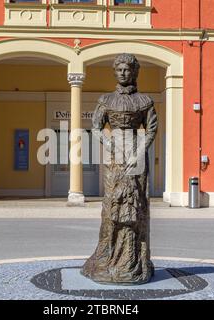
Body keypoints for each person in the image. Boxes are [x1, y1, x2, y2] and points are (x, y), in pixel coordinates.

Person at [81, 53, 158, 285]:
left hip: (136, 154)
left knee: (137, 205)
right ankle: (107, 257)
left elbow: (152, 129)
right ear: (115, 72)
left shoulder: (145, 101)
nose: (123, 73)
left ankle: (135, 261)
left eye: (127, 70)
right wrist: (109, 143)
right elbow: (95, 127)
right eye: (119, 70)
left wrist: (137, 153)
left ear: (134, 72)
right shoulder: (105, 100)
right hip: (114, 156)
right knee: (113, 204)